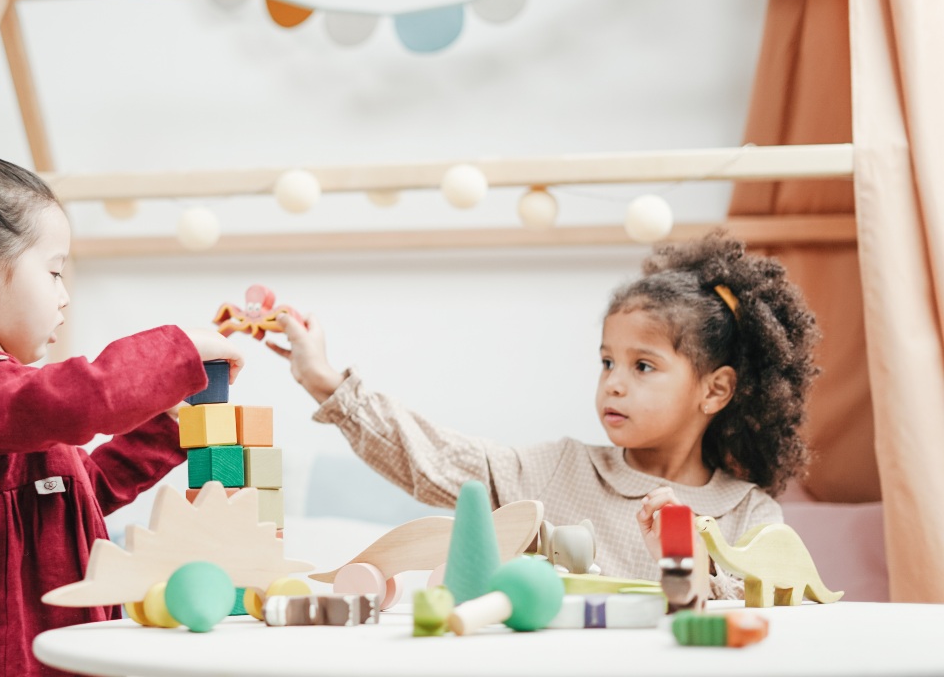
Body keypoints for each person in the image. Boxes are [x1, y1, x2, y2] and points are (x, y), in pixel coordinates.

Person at [0, 150, 243, 676]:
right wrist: (179, 352)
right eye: (55, 272)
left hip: (49, 639)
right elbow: (84, 399)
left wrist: (168, 427)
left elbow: (84, 490)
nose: (64, 298)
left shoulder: (11, 406)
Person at [270, 232, 819, 598]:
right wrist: (324, 380)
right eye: (607, 362)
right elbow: (431, 458)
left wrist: (687, 561)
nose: (614, 383)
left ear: (715, 390)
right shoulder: (557, 471)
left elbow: (767, 617)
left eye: (643, 366)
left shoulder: (749, 515)